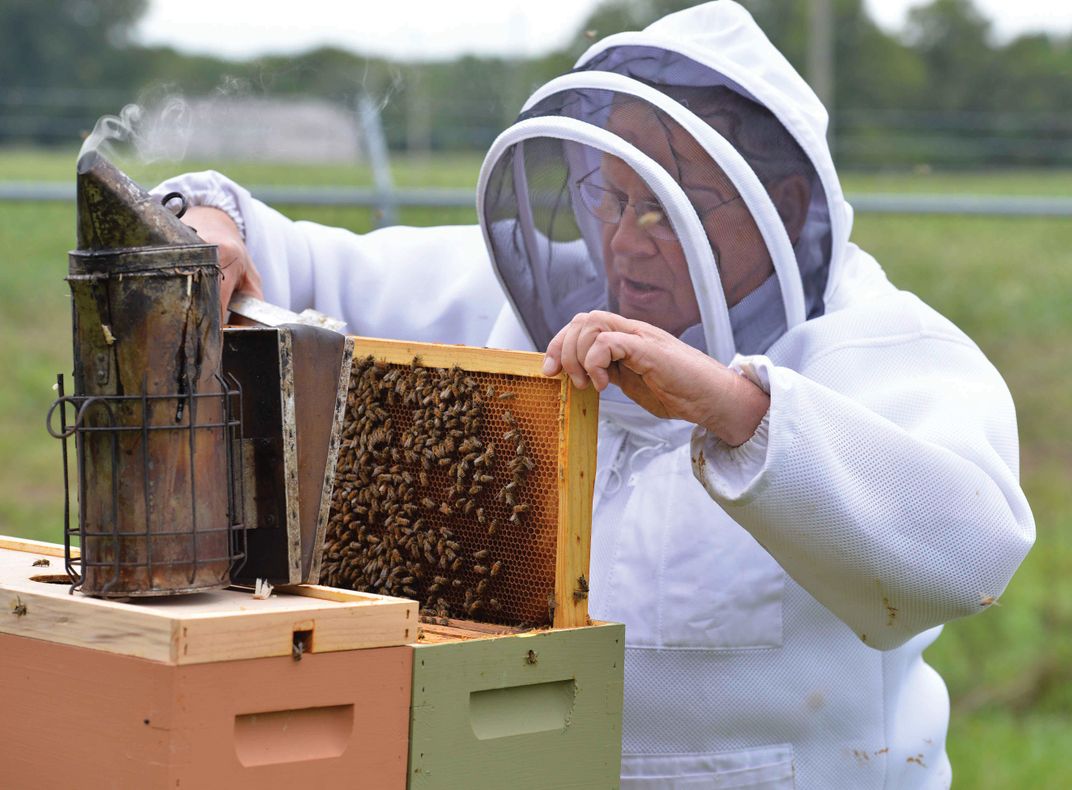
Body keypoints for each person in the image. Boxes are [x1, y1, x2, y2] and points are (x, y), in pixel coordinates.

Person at [155, 3, 1034, 786]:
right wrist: (210, 225)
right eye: (610, 199)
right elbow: (288, 259)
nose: (627, 239)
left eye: (667, 207)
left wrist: (735, 410)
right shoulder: (515, 300)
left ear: (783, 205)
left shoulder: (882, 346)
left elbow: (969, 556)